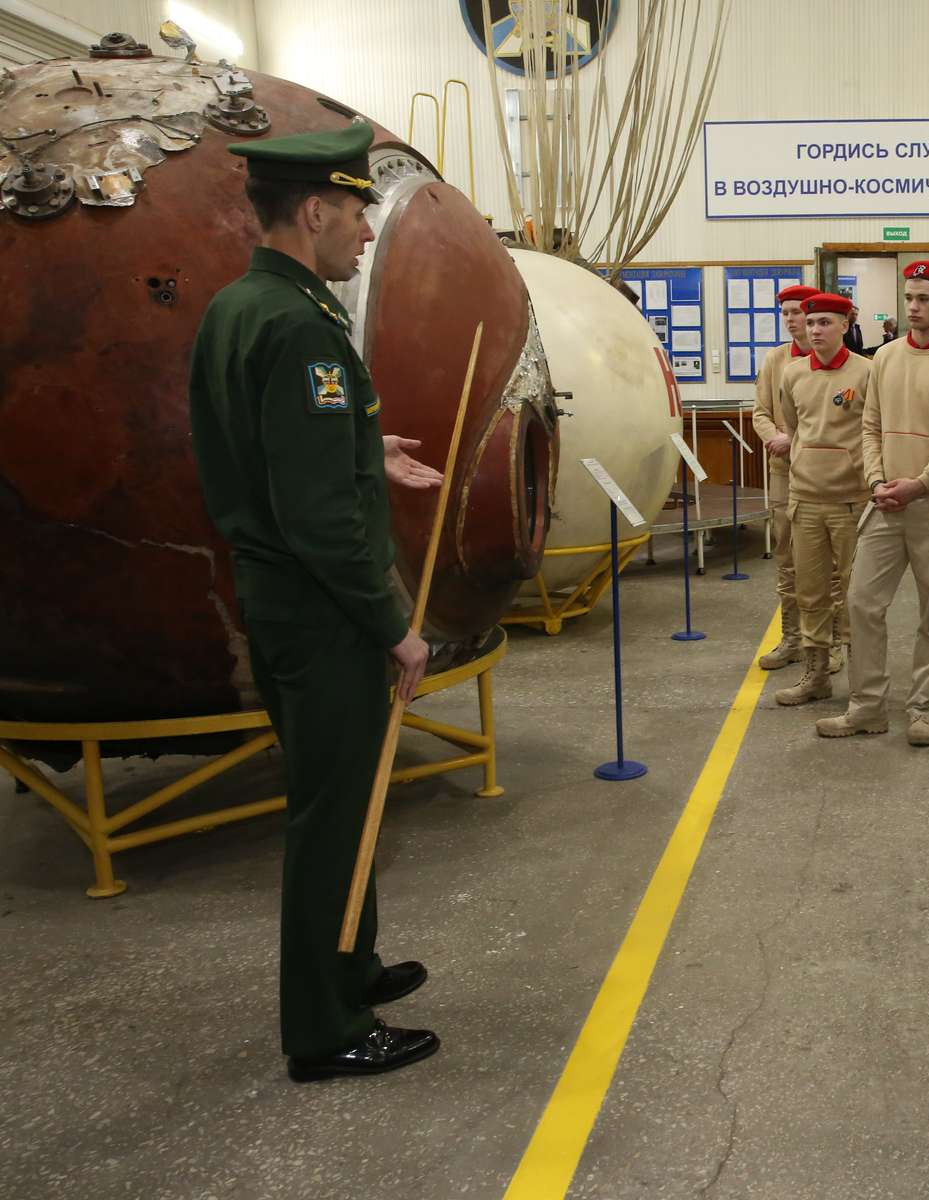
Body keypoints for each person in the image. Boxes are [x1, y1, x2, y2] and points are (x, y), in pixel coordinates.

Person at [187, 123, 442, 1082]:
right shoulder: (297, 323)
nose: (369, 234)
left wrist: (363, 451)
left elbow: (261, 449)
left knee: (343, 801)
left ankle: (354, 966)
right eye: (361, 214)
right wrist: (394, 625)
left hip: (285, 595)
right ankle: (326, 1029)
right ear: (316, 209)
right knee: (333, 814)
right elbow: (316, 517)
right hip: (321, 606)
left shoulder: (243, 306)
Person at [816, 260, 929, 747]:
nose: (913, 307)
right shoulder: (885, 357)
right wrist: (877, 479)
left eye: (924, 299)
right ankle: (867, 707)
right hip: (885, 502)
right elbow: (869, 426)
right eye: (908, 297)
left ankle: (921, 709)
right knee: (863, 603)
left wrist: (920, 482)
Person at [774, 292, 872, 706]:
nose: (815, 330)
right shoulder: (793, 374)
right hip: (806, 500)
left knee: (854, 594)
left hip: (851, 501)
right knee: (810, 592)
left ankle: (862, 685)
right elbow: (794, 427)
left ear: (845, 326)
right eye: (811, 324)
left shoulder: (867, 372)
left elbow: (875, 430)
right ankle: (815, 677)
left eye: (825, 323)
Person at [751, 283, 827, 673]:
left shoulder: (833, 361)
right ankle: (793, 639)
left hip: (826, 475)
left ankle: (830, 646)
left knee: (829, 565)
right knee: (787, 560)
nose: (793, 320)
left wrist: (794, 441)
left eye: (799, 312)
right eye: (787, 314)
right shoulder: (775, 360)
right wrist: (776, 440)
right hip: (784, 472)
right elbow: (760, 412)